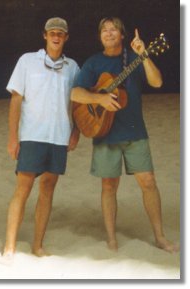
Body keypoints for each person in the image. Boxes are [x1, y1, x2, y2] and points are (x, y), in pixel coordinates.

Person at [71, 17, 179, 253]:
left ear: (122, 36)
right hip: (104, 132)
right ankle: (111, 238)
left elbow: (157, 82)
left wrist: (144, 55)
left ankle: (160, 236)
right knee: (109, 185)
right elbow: (76, 94)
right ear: (100, 37)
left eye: (114, 30)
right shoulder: (93, 63)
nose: (109, 33)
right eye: (104, 30)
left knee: (148, 182)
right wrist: (99, 98)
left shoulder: (134, 58)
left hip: (134, 131)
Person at [1, 17, 80, 263]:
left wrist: (75, 131)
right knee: (23, 188)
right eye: (52, 32)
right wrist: (13, 137)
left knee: (47, 189)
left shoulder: (73, 67)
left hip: (58, 137)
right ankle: (10, 247)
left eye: (61, 33)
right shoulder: (27, 61)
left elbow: (77, 103)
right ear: (44, 36)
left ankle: (37, 245)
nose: (56, 36)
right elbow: (16, 100)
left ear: (66, 38)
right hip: (32, 136)